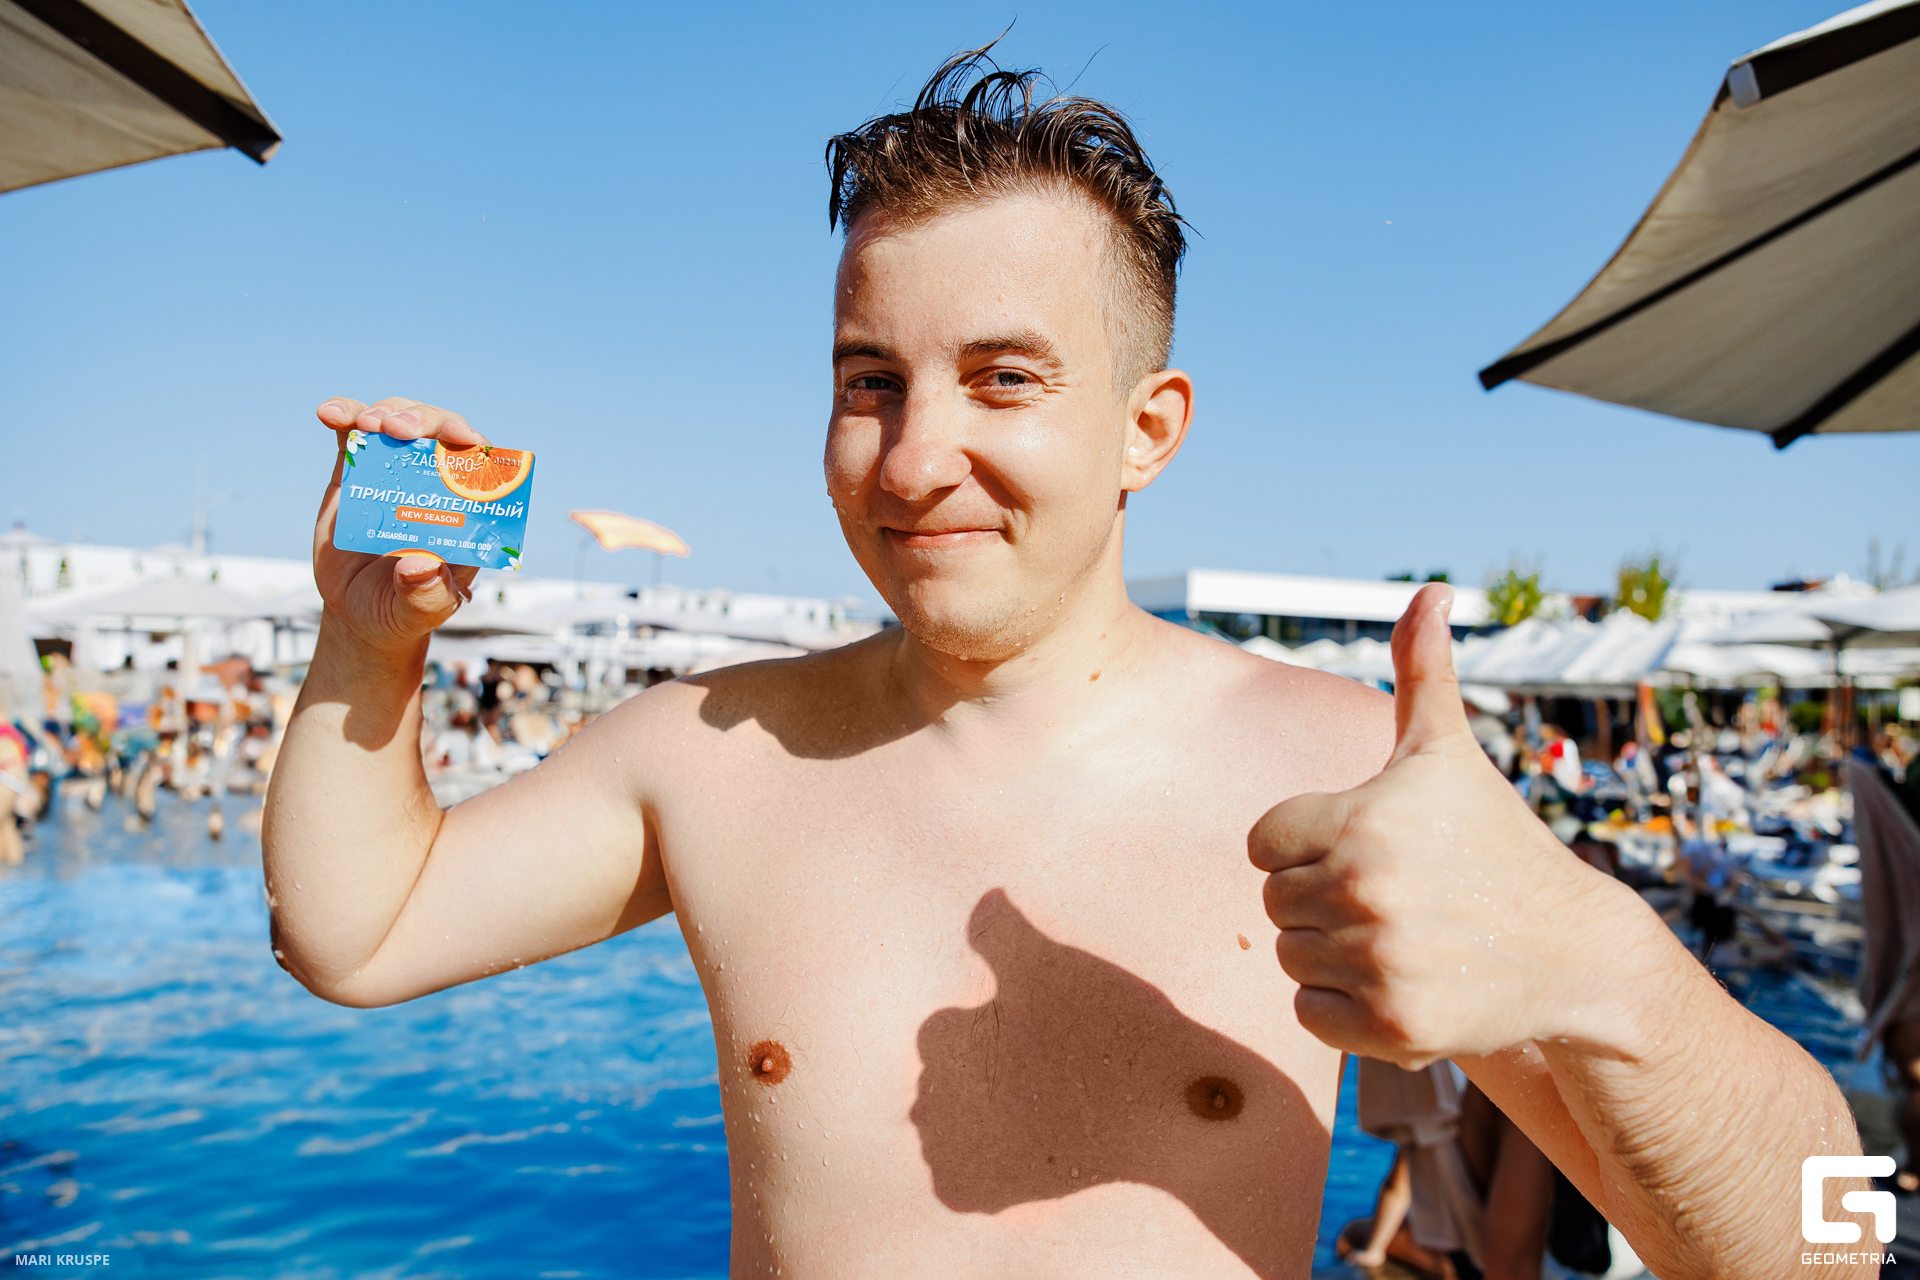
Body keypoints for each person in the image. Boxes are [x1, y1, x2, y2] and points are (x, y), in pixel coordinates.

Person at [266, 49, 1867, 1279]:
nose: (914, 461)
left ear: (1146, 430)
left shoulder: (1349, 776)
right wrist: (368, 643)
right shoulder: (712, 754)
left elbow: (1834, 1240)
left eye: (1004, 379)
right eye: (871, 381)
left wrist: (1600, 962)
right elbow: (359, 934)